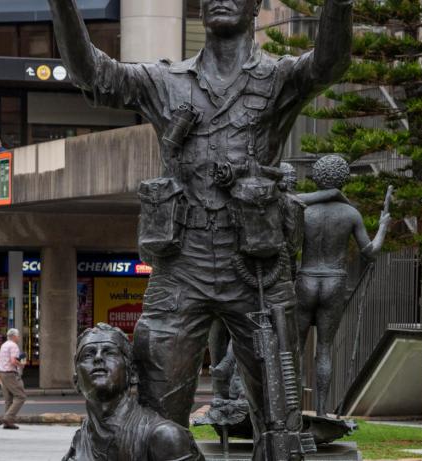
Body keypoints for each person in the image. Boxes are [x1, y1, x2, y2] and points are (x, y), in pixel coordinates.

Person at [47, 1, 352, 457]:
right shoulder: (165, 81)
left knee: (278, 420)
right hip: (179, 269)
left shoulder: (278, 78)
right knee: (158, 423)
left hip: (257, 269)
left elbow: (329, 63)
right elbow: (92, 72)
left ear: (255, 6)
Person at [296, 155, 392, 416]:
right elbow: (370, 253)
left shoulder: (304, 209)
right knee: (324, 347)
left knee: (295, 347)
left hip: (305, 277)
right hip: (334, 280)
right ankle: (322, 412)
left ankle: (292, 409)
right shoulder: (350, 213)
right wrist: (383, 227)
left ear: (317, 177)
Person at [63, 323, 201, 461]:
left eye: (109, 352)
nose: (98, 358)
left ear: (133, 374)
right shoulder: (81, 439)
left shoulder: (165, 437)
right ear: (76, 381)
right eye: (88, 355)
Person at [0, 328, 27, 429]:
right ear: (14, 336)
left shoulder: (4, 345)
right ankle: (8, 417)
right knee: (21, 396)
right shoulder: (13, 345)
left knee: (8, 399)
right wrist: (22, 365)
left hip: (2, 372)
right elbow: (13, 361)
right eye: (18, 336)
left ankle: (8, 423)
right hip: (10, 373)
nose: (19, 338)